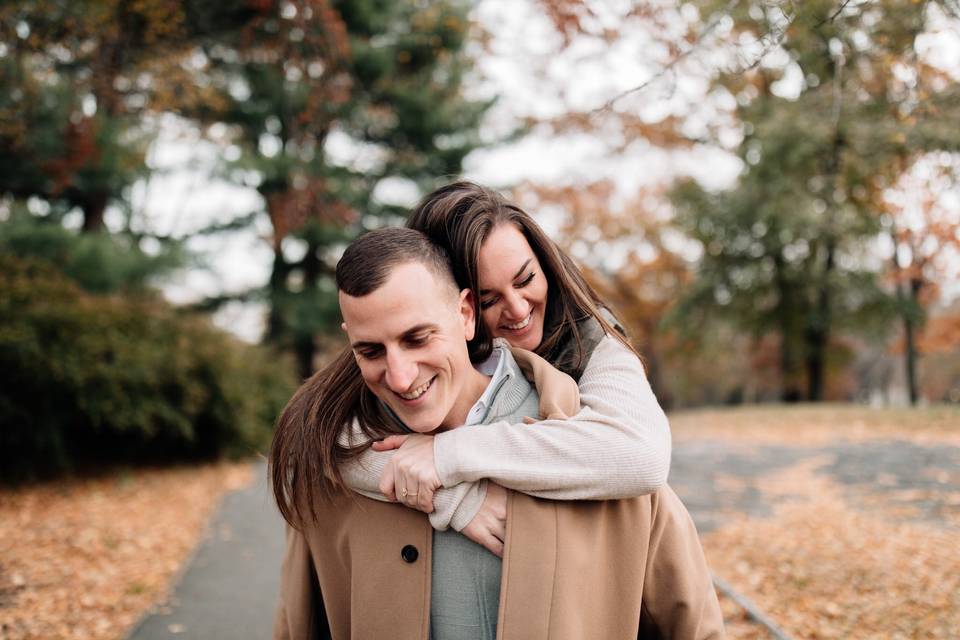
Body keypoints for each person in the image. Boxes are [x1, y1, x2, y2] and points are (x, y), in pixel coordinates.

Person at [271, 228, 725, 639]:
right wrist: (452, 496)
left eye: (417, 338)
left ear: (464, 314)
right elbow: (297, 627)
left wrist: (448, 455)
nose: (401, 376)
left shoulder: (604, 447)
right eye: (371, 350)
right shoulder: (331, 473)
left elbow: (694, 628)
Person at [338, 180, 673, 557]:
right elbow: (324, 442)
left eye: (526, 279)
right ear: (456, 305)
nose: (517, 309)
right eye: (489, 298)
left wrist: (446, 454)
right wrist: (458, 501)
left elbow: (641, 455)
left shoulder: (593, 339)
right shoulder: (399, 346)